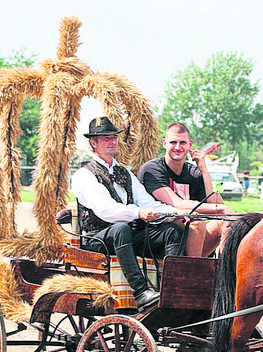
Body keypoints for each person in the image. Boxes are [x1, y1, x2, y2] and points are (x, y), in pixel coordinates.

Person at [71, 117, 187, 309]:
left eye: (114, 137)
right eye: (105, 138)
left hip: (125, 237)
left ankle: (171, 291)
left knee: (171, 231)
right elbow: (105, 210)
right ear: (93, 143)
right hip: (97, 240)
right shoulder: (85, 175)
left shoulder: (125, 173)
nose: (112, 141)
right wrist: (138, 212)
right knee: (121, 229)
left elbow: (149, 203)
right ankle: (141, 292)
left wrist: (176, 211)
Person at [140, 122, 233, 257]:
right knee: (197, 224)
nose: (177, 147)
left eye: (182, 143)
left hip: (188, 233)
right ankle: (193, 272)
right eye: (173, 142)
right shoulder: (152, 169)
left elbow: (216, 203)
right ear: (164, 143)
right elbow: (177, 203)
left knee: (227, 222)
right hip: (157, 232)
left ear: (190, 145)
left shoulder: (193, 172)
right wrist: (222, 209)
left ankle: (223, 269)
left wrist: (204, 170)